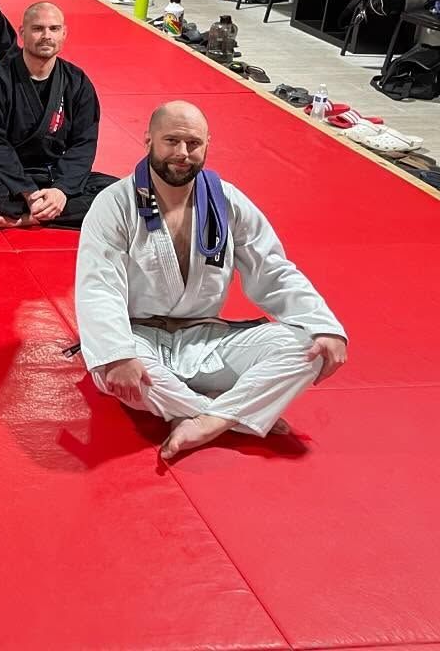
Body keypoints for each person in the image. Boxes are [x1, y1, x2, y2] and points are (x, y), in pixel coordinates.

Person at [76, 101, 348, 460]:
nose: (182, 153)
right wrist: (118, 354)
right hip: (138, 340)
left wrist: (325, 325)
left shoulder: (228, 202)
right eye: (171, 141)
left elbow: (272, 270)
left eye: (193, 143)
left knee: (309, 347)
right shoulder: (114, 204)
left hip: (206, 341)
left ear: (207, 145)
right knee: (113, 372)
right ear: (148, 140)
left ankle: (204, 420)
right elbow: (98, 287)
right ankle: (233, 413)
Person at [0, 2, 117, 230]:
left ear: (64, 33)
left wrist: (61, 190)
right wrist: (28, 192)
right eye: (37, 29)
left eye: (54, 29)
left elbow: (84, 143)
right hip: (9, 177)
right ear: (22, 33)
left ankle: (25, 218)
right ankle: (49, 211)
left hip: (56, 173)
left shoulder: (77, 82)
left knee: (122, 193)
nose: (46, 36)